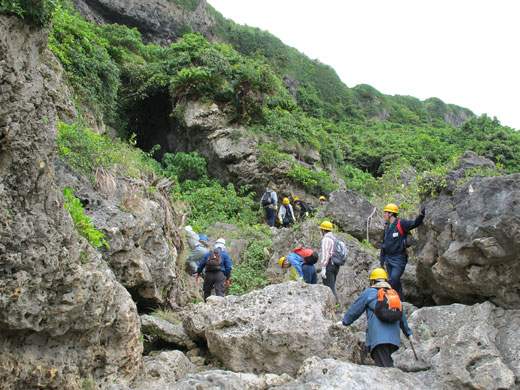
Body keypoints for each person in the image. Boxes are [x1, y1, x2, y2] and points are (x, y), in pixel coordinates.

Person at [338, 268, 413, 368]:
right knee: (386, 362)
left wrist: (344, 322)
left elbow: (355, 310)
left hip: (378, 338)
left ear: (373, 281)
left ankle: (390, 382)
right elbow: (401, 315)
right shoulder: (393, 294)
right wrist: (408, 333)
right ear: (386, 281)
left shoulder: (369, 293)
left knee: (385, 369)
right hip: (394, 339)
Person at [380, 203, 425, 300]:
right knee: (396, 282)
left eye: (385, 213)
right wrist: (382, 259)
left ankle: (385, 298)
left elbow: (414, 224)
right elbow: (384, 244)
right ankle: (401, 302)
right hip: (388, 258)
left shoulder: (401, 223)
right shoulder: (387, 227)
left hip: (399, 258)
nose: (384, 215)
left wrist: (421, 215)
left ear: (391, 214)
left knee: (394, 279)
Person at [319, 221, 340, 303]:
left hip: (329, 265)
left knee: (329, 288)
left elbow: (325, 254)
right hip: (336, 265)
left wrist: (323, 268)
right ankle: (335, 305)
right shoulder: (334, 239)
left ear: (323, 230)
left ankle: (336, 306)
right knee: (332, 286)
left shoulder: (326, 240)